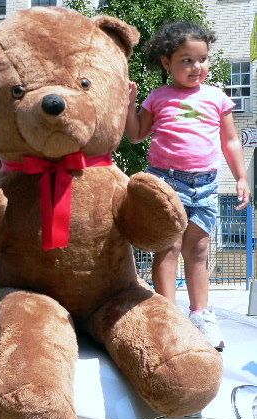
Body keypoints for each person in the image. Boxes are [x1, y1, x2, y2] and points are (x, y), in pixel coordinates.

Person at [125, 21, 251, 351]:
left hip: (207, 184)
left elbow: (231, 141)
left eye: (203, 59)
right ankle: (167, 316)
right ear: (167, 63)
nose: (197, 68)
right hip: (166, 182)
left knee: (198, 251)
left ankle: (200, 315)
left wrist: (240, 177)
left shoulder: (216, 98)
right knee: (169, 248)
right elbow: (136, 133)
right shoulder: (159, 97)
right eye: (187, 61)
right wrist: (129, 104)